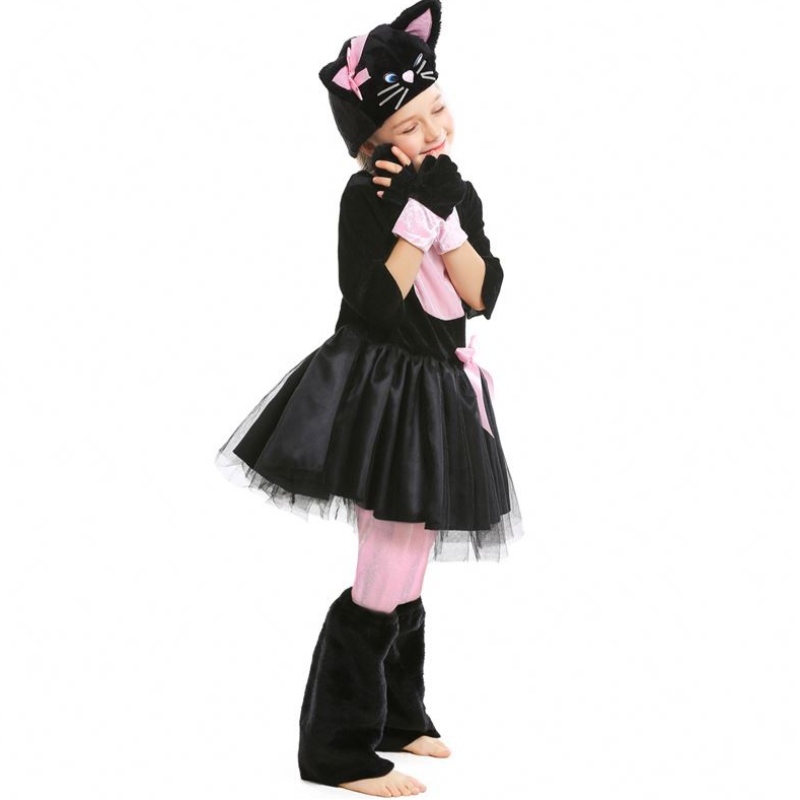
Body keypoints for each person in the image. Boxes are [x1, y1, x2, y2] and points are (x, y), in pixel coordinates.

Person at [214, 1, 523, 795]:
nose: (436, 132)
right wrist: (416, 217)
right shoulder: (365, 200)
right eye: (411, 126)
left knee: (411, 556)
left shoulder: (455, 190)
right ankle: (336, 746)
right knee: (387, 557)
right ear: (370, 145)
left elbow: (482, 293)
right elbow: (377, 304)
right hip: (383, 390)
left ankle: (395, 714)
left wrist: (448, 221)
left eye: (439, 110)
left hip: (441, 387)